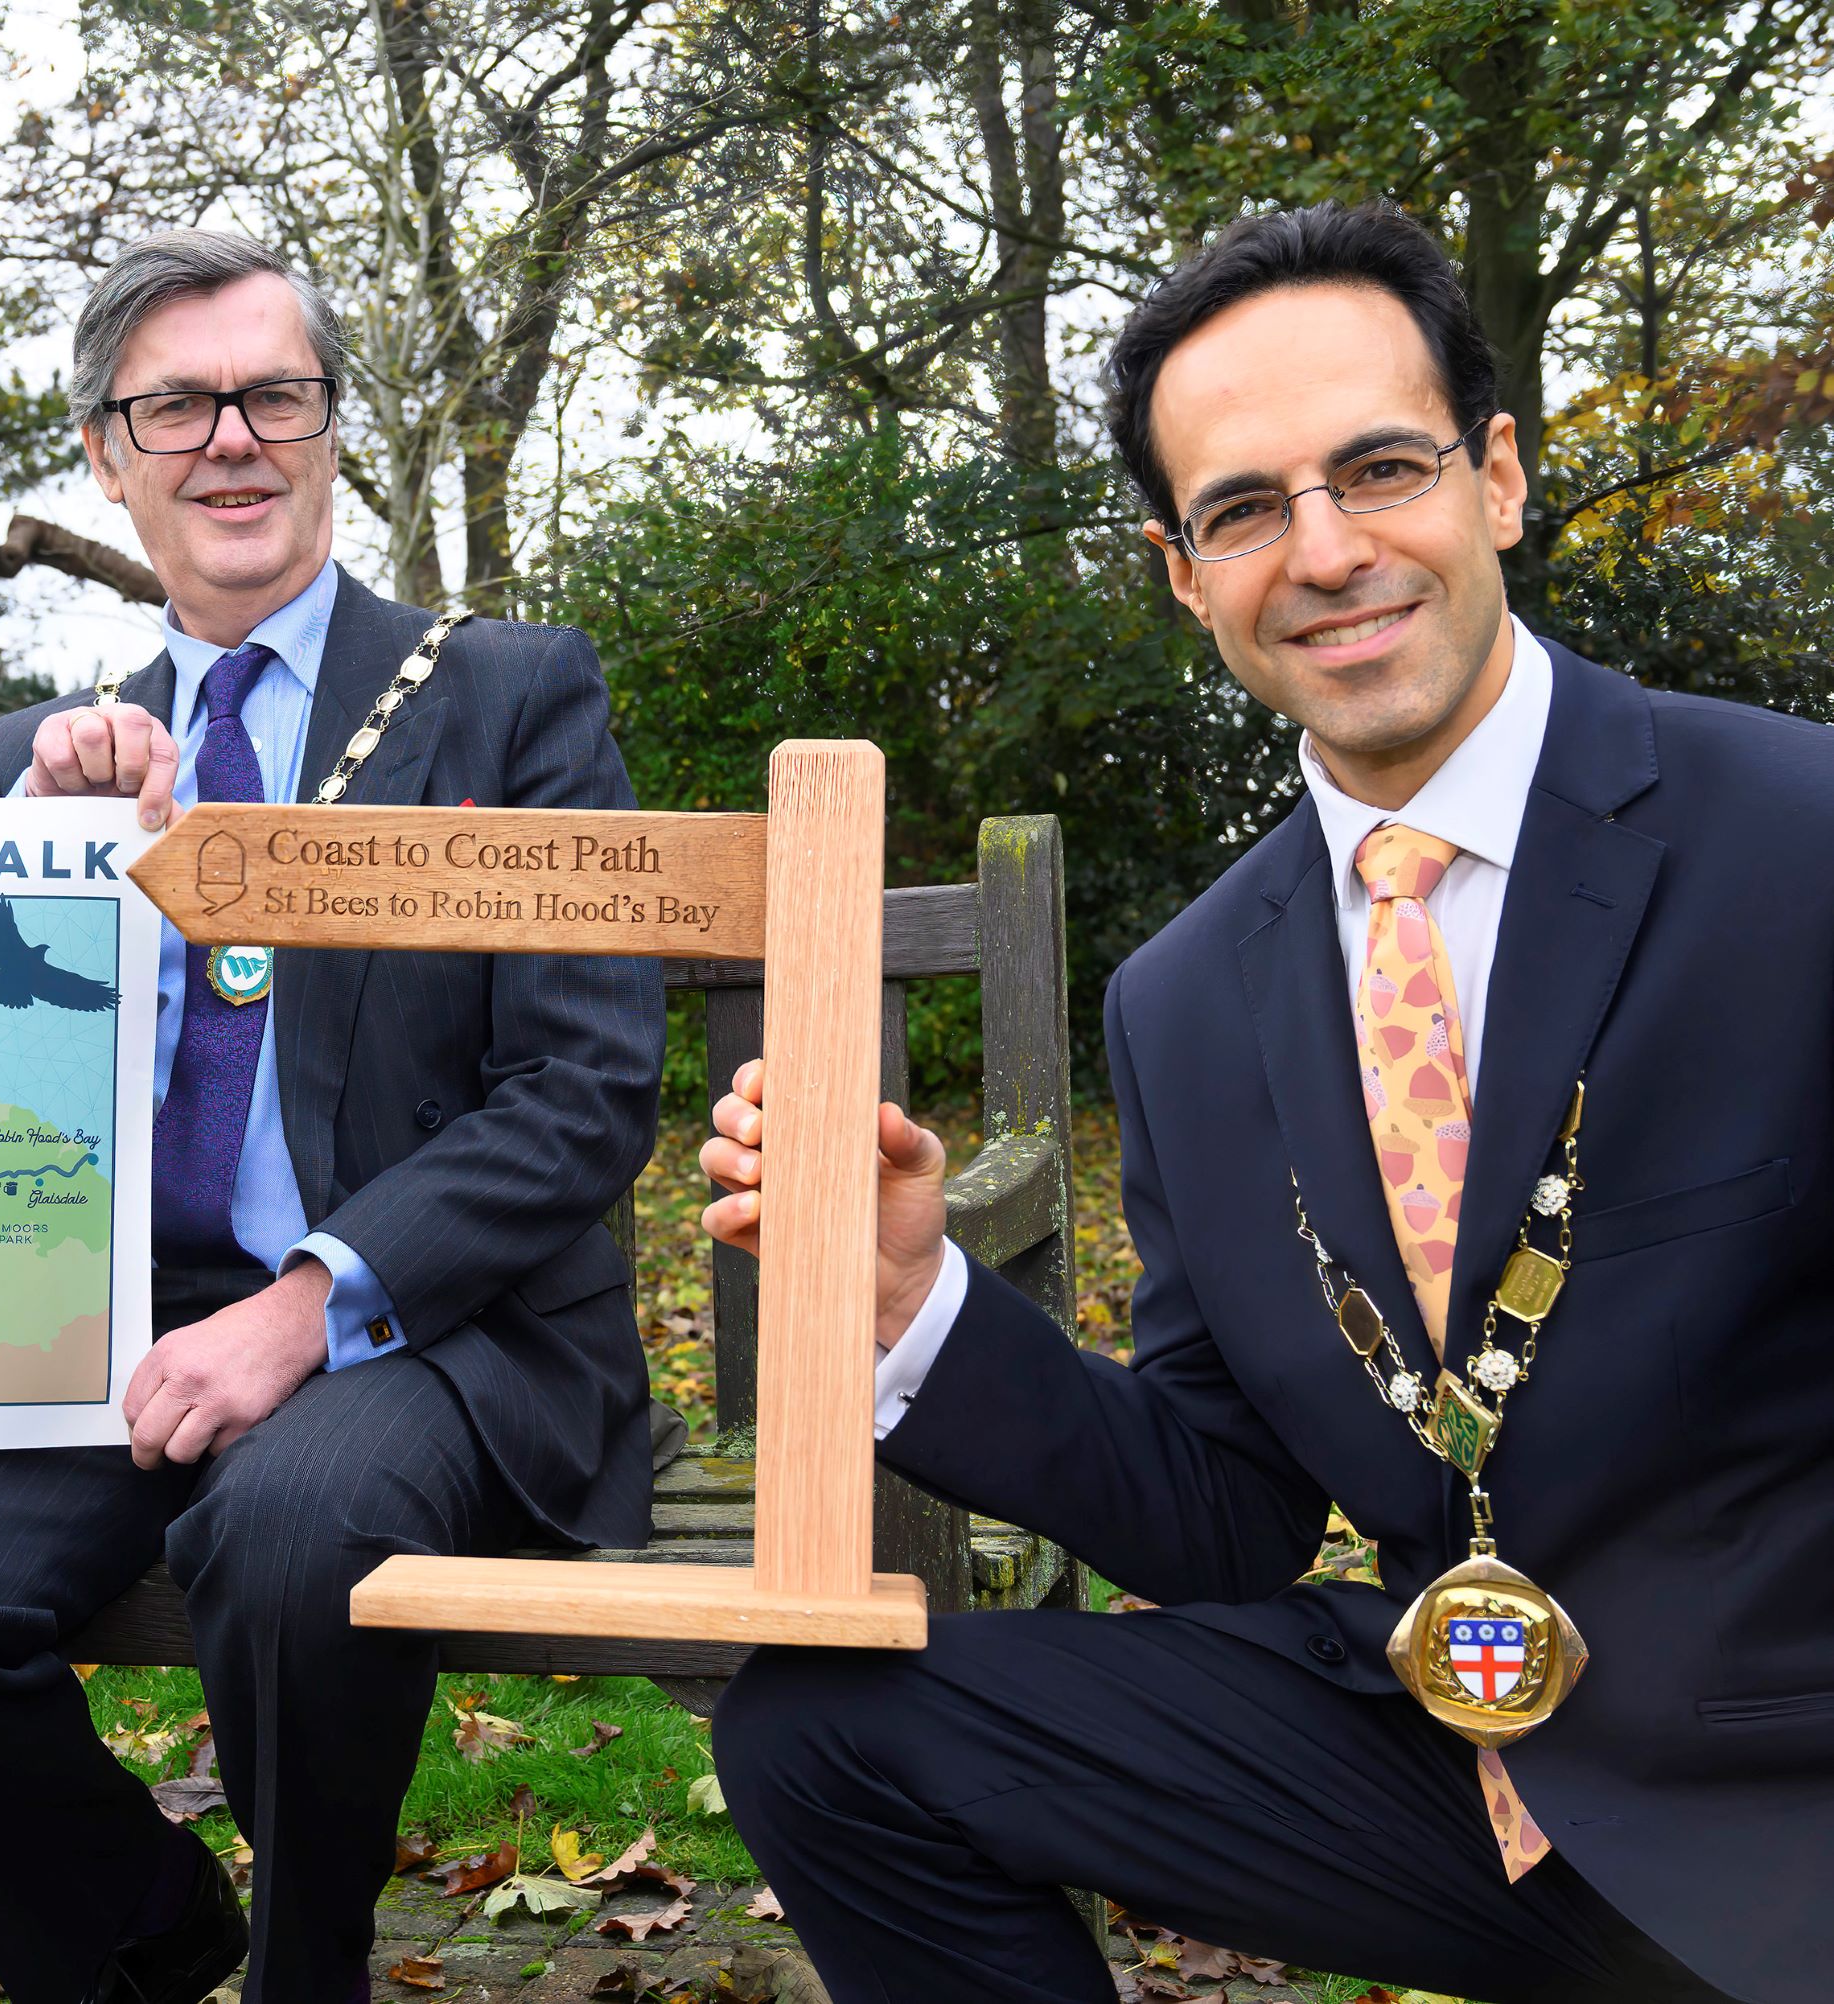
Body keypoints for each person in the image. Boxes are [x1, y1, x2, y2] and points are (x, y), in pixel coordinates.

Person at [696, 201, 1828, 2004]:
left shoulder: (1798, 837)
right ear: (1182, 572)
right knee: (828, 1735)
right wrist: (911, 1305)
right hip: (1435, 1745)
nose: (1323, 551)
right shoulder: (1183, 1000)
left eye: (1377, 467)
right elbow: (1219, 1515)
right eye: (1241, 509)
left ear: (1499, 478)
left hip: (1783, 1791)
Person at [0, 228, 667, 2004]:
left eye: (275, 396)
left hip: (427, 1333)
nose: (231, 439)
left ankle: (304, 1974)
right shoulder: (47, 750)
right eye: (177, 405)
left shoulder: (505, 690)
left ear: (331, 432)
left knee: (290, 1524)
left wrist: (311, 1301)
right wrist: (36, 858)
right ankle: (147, 1944)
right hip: (104, 1330)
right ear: (107, 452)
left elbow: (579, 1086)